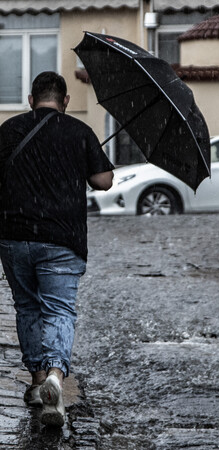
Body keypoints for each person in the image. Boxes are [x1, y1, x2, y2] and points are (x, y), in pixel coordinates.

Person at [0, 71, 114, 427]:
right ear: (65, 102)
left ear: (31, 100)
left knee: (27, 307)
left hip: (14, 236)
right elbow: (104, 181)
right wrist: (91, 157)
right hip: (62, 239)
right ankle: (55, 377)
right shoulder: (79, 132)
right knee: (60, 309)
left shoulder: (8, 131)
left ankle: (37, 384)